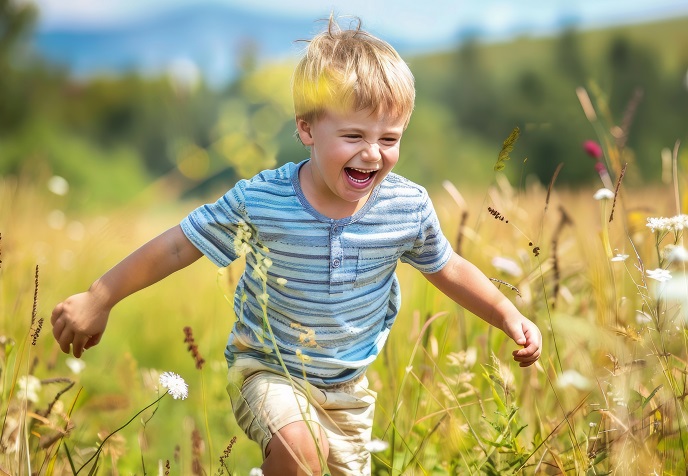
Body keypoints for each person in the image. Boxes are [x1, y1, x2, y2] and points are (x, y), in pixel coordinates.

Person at [51, 15, 542, 476]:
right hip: (267, 372)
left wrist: (506, 313)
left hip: (349, 392)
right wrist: (100, 295)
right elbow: (180, 246)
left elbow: (447, 267)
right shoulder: (262, 200)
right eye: (353, 135)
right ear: (306, 128)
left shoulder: (405, 206)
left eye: (389, 139)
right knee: (301, 446)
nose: (372, 153)